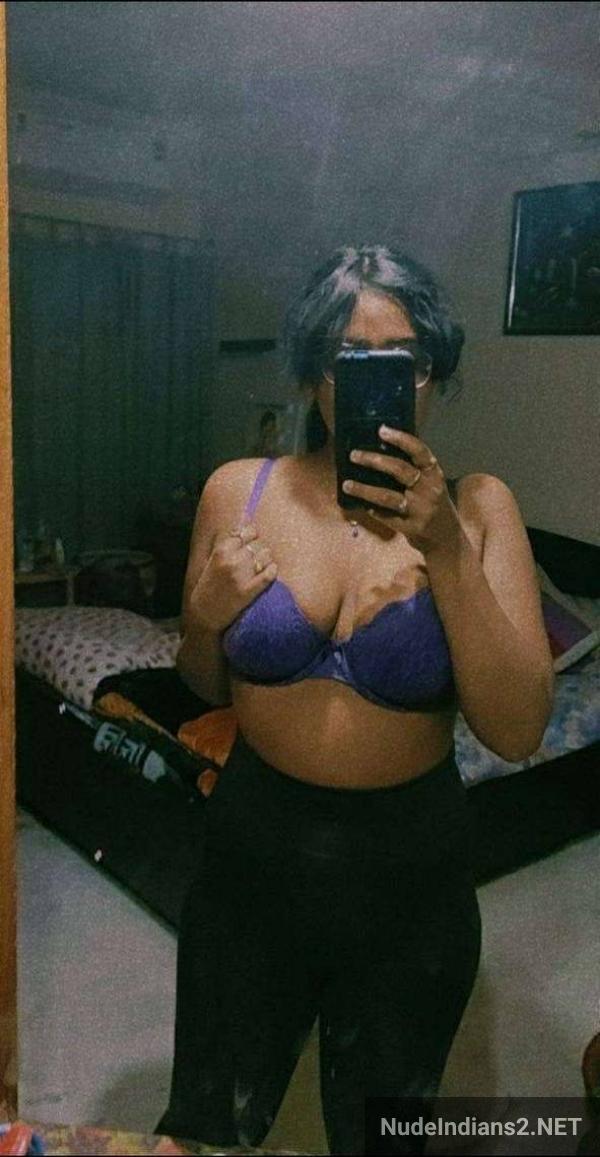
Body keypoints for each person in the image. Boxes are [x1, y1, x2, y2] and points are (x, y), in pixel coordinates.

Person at [157, 246, 554, 1155]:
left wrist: (443, 547)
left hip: (410, 875)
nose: (381, 382)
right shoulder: (238, 491)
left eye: (404, 361)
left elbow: (519, 729)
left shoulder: (480, 509)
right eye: (350, 358)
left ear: (432, 373)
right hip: (251, 855)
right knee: (208, 1120)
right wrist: (205, 619)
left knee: (384, 1135)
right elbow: (201, 684)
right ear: (313, 374)